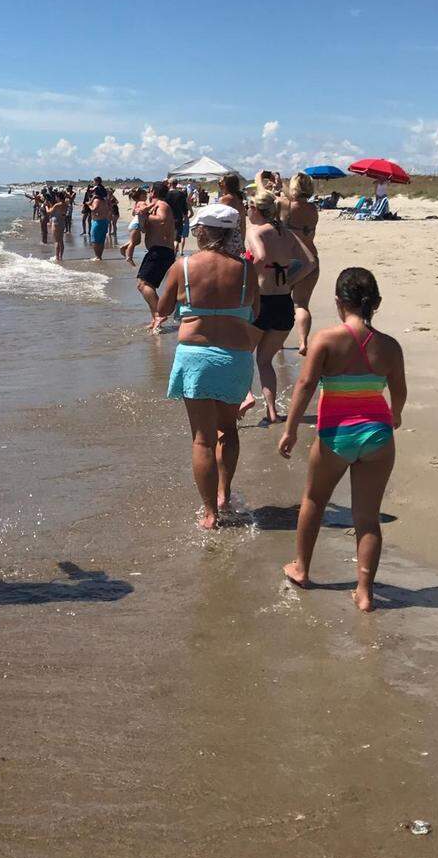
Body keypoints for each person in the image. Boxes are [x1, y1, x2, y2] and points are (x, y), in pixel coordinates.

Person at [278, 267, 406, 612]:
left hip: (336, 433)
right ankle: (364, 593)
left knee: (315, 500)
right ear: (375, 303)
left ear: (338, 302)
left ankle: (302, 568)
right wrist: (394, 415)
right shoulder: (390, 346)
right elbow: (400, 394)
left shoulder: (326, 339)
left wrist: (290, 428)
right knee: (367, 517)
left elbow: (305, 386)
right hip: (377, 435)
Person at [159, 203, 261, 528]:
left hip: (195, 357)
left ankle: (209, 514)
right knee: (228, 431)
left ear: (201, 231)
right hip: (234, 357)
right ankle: (224, 495)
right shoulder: (246, 270)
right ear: (232, 233)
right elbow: (254, 311)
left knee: (202, 438)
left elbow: (163, 308)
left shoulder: (184, 266)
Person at [239, 191, 316, 424]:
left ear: (256, 209)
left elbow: (260, 257)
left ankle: (247, 395)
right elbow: (310, 262)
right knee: (264, 361)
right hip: (284, 303)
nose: (246, 210)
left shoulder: (255, 232)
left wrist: (247, 276)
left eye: (248, 206)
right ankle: (272, 412)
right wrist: (290, 280)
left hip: (262, 302)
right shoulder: (287, 233)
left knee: (242, 355)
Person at [282, 171, 320, 356]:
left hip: (291, 260)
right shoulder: (313, 209)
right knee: (302, 304)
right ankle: (303, 342)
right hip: (311, 258)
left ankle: (279, 340)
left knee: (281, 300)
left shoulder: (286, 206)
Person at [136, 181, 176, 328]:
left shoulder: (162, 205)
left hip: (162, 250)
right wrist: (142, 216)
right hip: (157, 250)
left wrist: (144, 215)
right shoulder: (153, 207)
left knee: (143, 284)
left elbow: (162, 220)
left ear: (153, 192)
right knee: (147, 285)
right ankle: (155, 319)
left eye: (150, 190)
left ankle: (160, 314)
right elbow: (145, 229)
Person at [85, 180, 112, 261]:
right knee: (101, 240)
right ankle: (99, 256)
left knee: (95, 241)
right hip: (104, 221)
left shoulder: (97, 200)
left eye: (93, 191)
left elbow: (94, 209)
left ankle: (97, 256)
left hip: (97, 222)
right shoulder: (105, 200)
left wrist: (89, 205)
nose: (92, 193)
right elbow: (110, 208)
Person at [218, 171, 247, 242]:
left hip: (226, 239)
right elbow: (243, 224)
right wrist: (242, 241)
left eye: (220, 182)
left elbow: (219, 222)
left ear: (226, 185)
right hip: (237, 239)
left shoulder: (224, 199)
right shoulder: (239, 200)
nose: (219, 185)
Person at [165, 178, 190, 255]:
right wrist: (185, 217)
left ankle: (170, 253)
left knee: (169, 237)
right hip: (178, 218)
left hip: (167, 218)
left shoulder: (166, 194)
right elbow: (184, 207)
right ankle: (174, 254)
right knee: (176, 239)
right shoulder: (181, 194)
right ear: (176, 184)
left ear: (169, 184)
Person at [45, 185, 68, 261]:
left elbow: (49, 212)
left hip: (56, 223)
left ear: (58, 197)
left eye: (56, 197)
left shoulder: (57, 205)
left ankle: (57, 257)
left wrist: (46, 206)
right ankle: (61, 256)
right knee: (61, 240)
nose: (55, 198)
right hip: (62, 223)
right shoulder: (65, 204)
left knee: (56, 241)